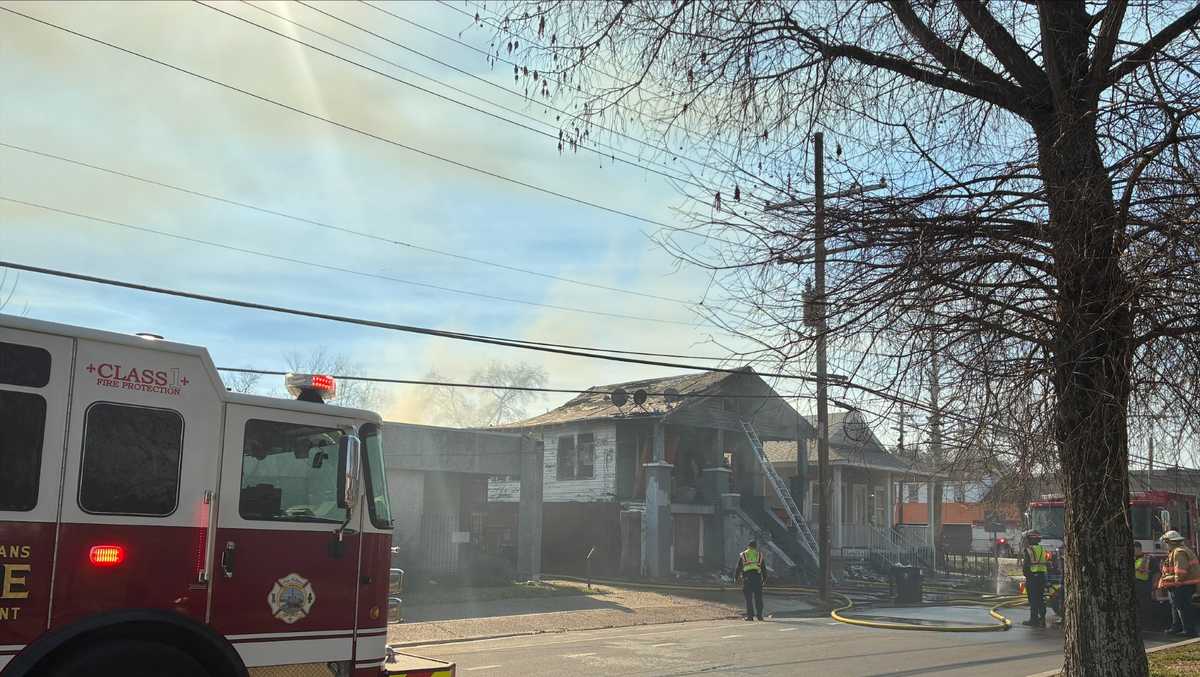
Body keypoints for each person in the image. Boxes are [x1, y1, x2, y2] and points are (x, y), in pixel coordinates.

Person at [1157, 530, 1200, 637]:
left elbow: (1181, 573)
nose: (1165, 545)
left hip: (1182, 585)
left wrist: (1167, 580)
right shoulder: (1179, 551)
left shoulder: (1179, 552)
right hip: (1180, 585)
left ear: (1170, 542)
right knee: (1176, 606)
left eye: (1166, 543)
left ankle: (1189, 630)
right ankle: (1177, 627)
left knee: (1182, 607)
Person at [1021, 530, 1048, 628]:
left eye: (1026, 539)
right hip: (1041, 576)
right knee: (1040, 598)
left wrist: (1026, 574)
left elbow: (1026, 566)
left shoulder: (1029, 550)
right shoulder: (1042, 548)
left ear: (1030, 539)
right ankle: (1042, 618)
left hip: (1032, 577)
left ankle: (1034, 620)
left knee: (1033, 599)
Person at [735, 538, 766, 621]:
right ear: (756, 547)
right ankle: (759, 616)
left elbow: (738, 567)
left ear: (748, 546)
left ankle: (750, 616)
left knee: (748, 598)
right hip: (757, 577)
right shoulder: (759, 555)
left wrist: (736, 578)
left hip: (747, 578)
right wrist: (764, 579)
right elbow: (763, 568)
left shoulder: (744, 554)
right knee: (758, 598)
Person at [1133, 542, 1153, 625]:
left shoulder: (1147, 558)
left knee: (1143, 605)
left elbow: (1143, 570)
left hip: (1143, 584)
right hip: (1136, 584)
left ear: (1138, 549)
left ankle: (1145, 622)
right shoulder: (1136, 558)